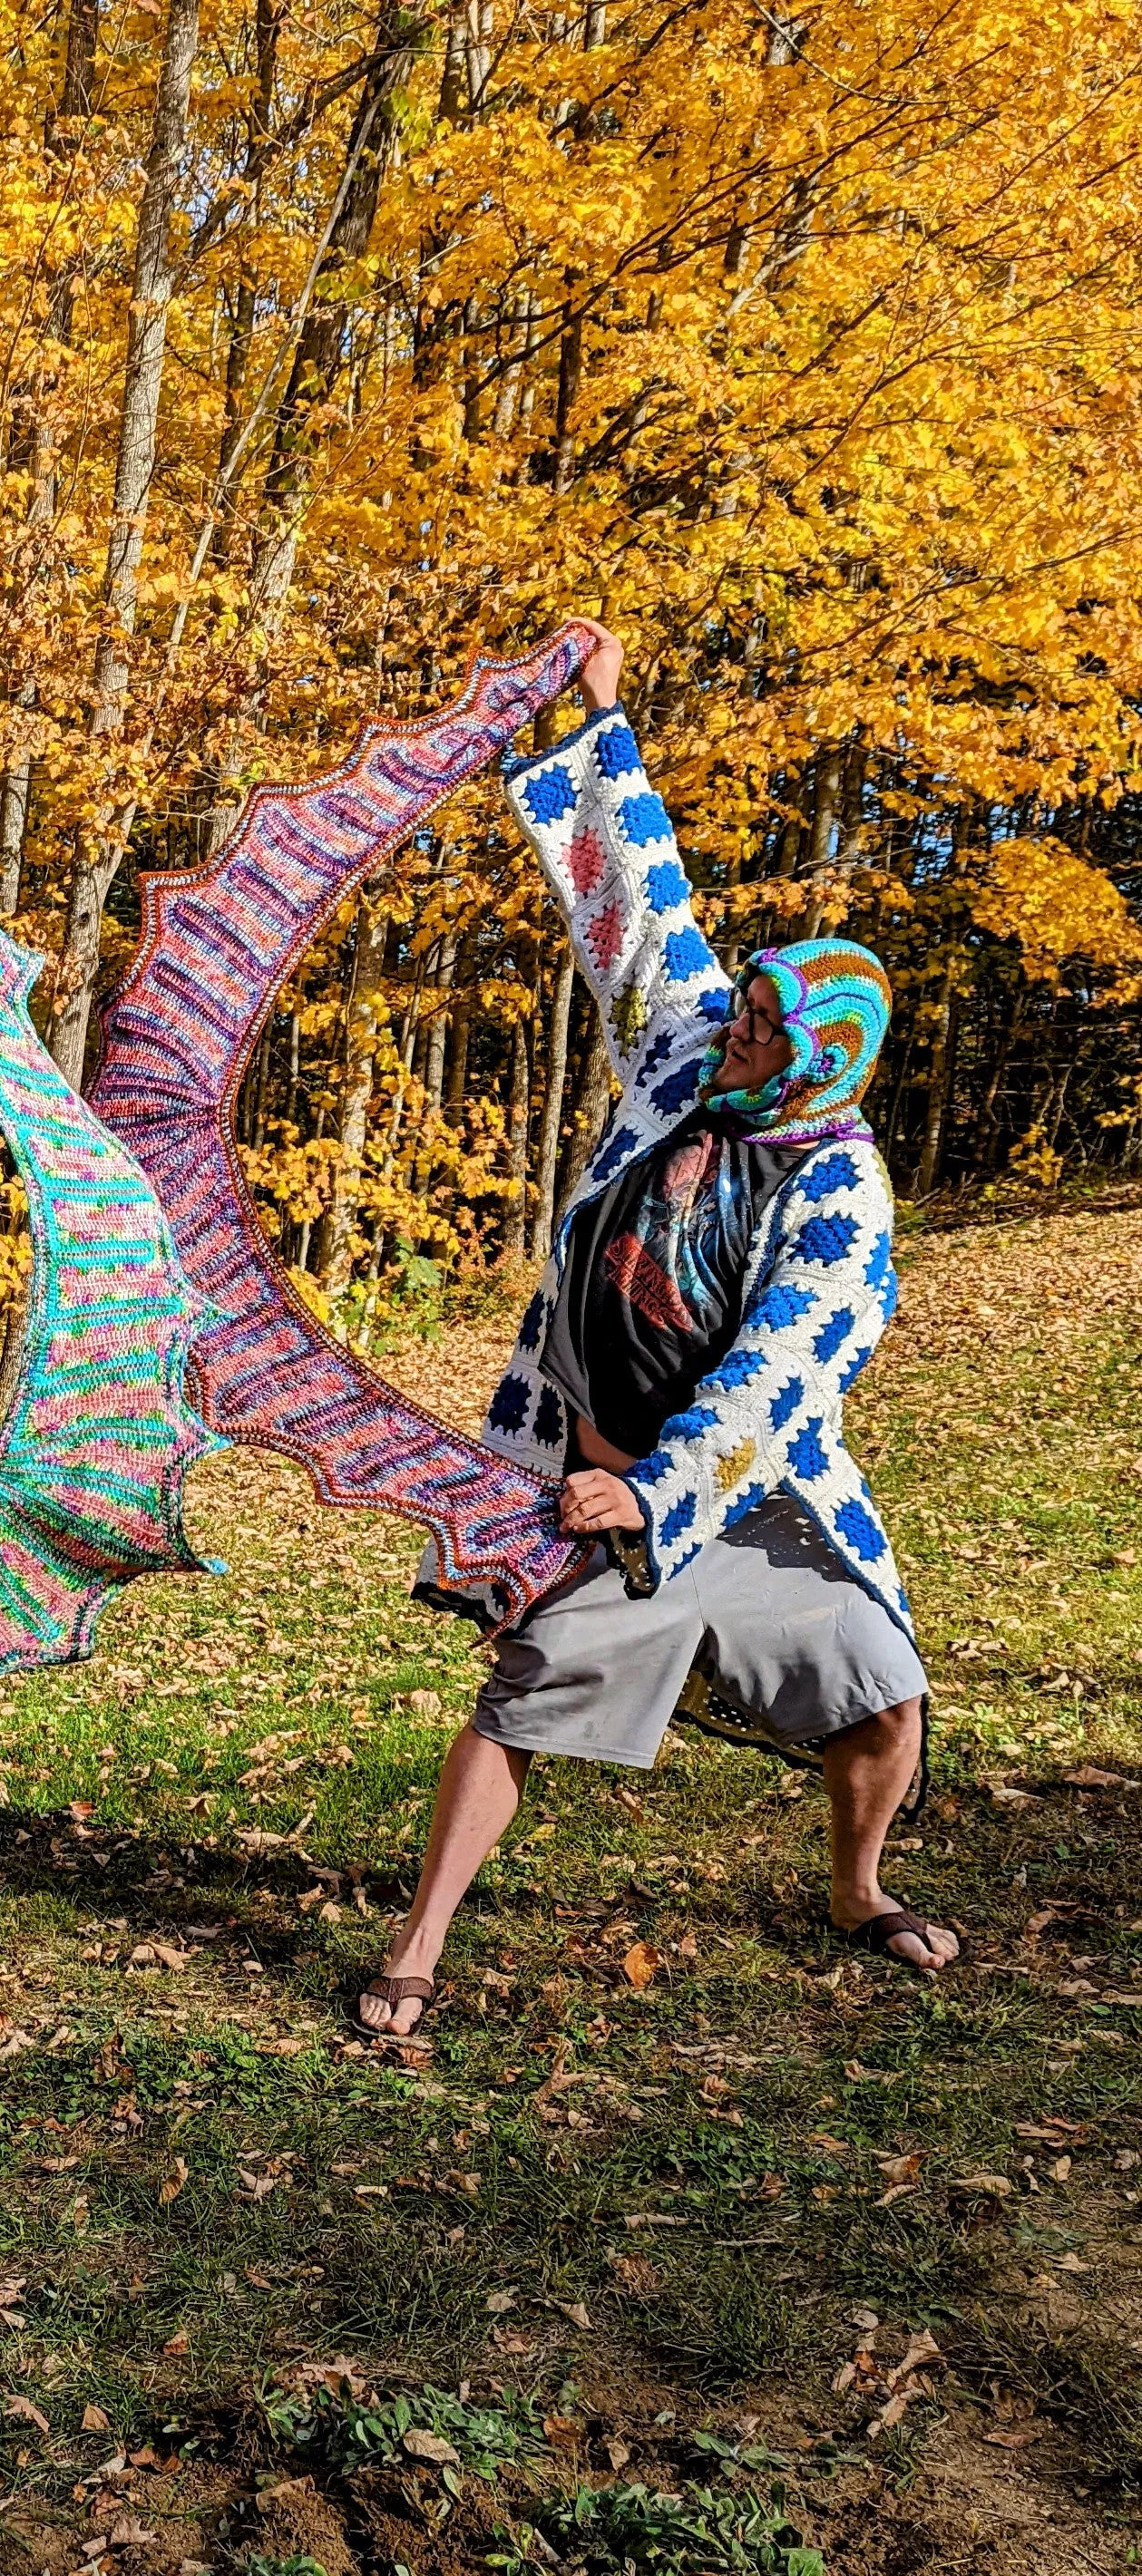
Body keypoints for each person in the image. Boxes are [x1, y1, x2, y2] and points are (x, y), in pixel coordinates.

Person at [356, 627, 957, 2041]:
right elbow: (635, 910)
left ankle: (857, 1888)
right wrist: (602, 725)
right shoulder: (683, 1051)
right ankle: (421, 1939)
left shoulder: (837, 1184)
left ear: (820, 1053)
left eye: (763, 1025)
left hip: (743, 1494)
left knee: (879, 1690)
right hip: (584, 1467)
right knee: (524, 1700)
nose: (736, 1031)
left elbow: (784, 1367)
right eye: (743, 1007)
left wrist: (659, 1487)